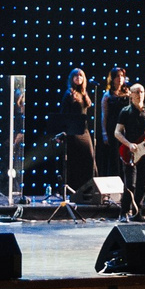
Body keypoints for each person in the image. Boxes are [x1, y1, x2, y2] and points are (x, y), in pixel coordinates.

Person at [110, 81, 145, 217]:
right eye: (137, 92)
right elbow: (117, 132)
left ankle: (137, 212)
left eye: (142, 92)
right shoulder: (125, 112)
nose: (140, 95)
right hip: (130, 152)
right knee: (130, 184)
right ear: (131, 95)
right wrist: (129, 144)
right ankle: (124, 213)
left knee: (142, 184)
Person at [56, 68, 96, 204]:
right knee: (76, 161)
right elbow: (63, 114)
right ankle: (75, 190)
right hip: (73, 132)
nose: (79, 77)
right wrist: (62, 133)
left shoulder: (84, 93)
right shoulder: (69, 94)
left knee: (90, 159)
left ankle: (88, 189)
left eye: (81, 75)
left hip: (84, 131)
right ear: (71, 78)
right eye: (76, 76)